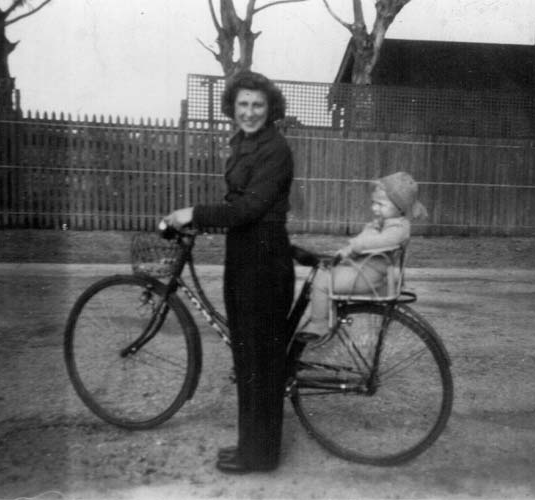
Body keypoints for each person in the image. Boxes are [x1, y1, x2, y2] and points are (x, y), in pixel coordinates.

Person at [163, 71, 294, 474]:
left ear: (270, 108)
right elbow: (237, 203)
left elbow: (249, 209)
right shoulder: (243, 142)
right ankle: (249, 446)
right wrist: (202, 221)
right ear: (232, 109)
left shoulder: (276, 148)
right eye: (243, 105)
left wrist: (194, 213)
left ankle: (261, 456)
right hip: (243, 255)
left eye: (257, 105)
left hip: (265, 260)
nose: (250, 112)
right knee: (247, 358)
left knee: (260, 361)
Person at [302, 171, 427, 338]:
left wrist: (356, 246)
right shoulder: (386, 223)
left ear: (400, 207)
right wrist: (346, 251)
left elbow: (378, 242)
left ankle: (319, 325)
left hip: (368, 276)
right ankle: (328, 319)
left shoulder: (398, 229)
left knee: (321, 281)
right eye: (373, 203)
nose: (374, 208)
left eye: (380, 205)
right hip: (363, 270)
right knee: (323, 270)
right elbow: (364, 240)